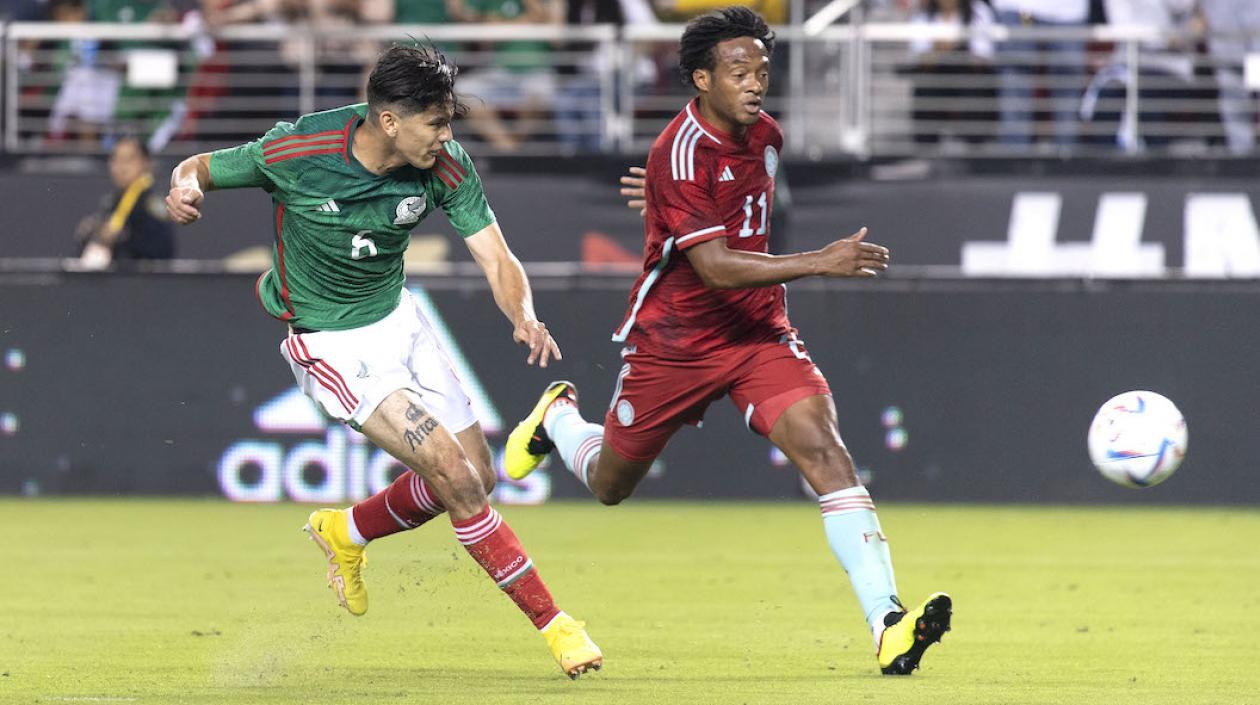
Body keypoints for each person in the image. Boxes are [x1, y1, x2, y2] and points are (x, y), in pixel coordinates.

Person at [504, 6, 952, 676]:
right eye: (739, 71)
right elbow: (712, 267)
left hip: (757, 331)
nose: (755, 83)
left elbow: (731, 212)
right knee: (609, 483)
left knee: (827, 453)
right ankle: (561, 418)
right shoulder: (675, 152)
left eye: (763, 70)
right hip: (675, 340)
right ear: (701, 78)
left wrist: (669, 202)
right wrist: (818, 260)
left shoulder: (765, 134)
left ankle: (888, 624)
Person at [163, 43, 602, 679]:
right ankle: (556, 625)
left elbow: (496, 256)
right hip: (330, 342)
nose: (447, 136)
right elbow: (199, 166)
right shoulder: (300, 152)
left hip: (401, 322)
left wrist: (523, 315)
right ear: (390, 121)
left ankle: (346, 532)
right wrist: (183, 191)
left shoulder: (445, 165)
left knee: (477, 475)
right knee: (454, 473)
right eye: (437, 122)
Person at [990, 0, 1088, 147]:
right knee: (1016, 83)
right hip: (1017, 8)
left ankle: (1067, 160)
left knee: (1067, 87)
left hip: (1069, 11)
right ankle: (1013, 161)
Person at [74, 136, 176, 268]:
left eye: (128, 160)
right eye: (115, 160)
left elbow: (162, 250)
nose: (121, 167)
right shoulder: (111, 201)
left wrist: (122, 238)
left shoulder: (151, 201)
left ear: (146, 163)